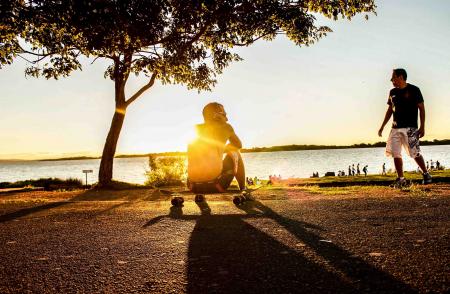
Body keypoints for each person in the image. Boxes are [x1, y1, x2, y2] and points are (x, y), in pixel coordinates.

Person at [378, 68, 432, 187]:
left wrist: (422, 127)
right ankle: (401, 178)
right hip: (395, 128)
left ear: (401, 77)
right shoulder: (392, 92)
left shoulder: (414, 90)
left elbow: (422, 108)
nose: (391, 80)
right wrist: (382, 126)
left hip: (411, 128)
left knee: (415, 152)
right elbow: (389, 110)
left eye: (393, 77)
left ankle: (426, 174)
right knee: (395, 153)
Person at [187, 102, 245, 193]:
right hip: (216, 185)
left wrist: (220, 149)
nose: (227, 118)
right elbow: (238, 145)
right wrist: (226, 148)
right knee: (235, 152)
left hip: (193, 186)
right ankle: (243, 189)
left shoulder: (196, 129)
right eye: (224, 114)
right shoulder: (226, 127)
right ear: (215, 115)